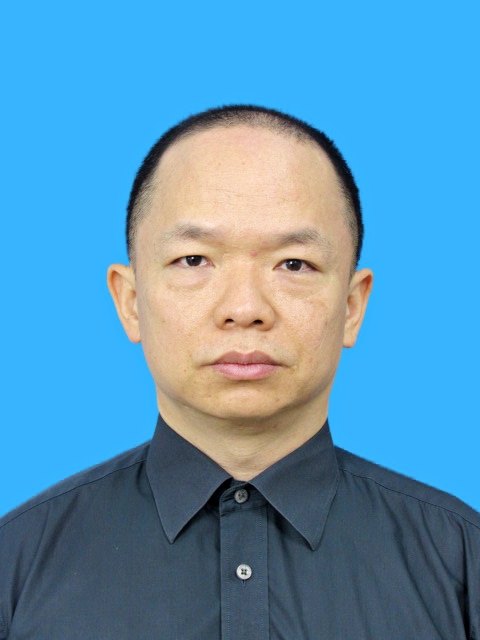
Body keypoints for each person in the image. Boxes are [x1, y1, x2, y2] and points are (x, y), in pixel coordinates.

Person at [0, 105, 478, 640]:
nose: (245, 308)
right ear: (130, 300)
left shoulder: (461, 560)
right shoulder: (16, 564)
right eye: (194, 260)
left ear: (352, 305)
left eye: (294, 264)